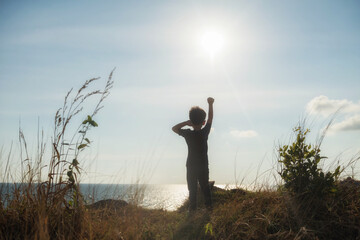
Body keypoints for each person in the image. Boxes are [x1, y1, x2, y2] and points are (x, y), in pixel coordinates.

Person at [172, 97, 214, 211]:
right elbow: (210, 118)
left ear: (191, 121)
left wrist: (186, 123)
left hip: (190, 165)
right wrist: (210, 104)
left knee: (192, 189)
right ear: (203, 122)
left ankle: (192, 210)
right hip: (203, 165)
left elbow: (174, 128)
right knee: (205, 187)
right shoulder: (205, 132)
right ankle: (209, 208)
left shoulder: (187, 134)